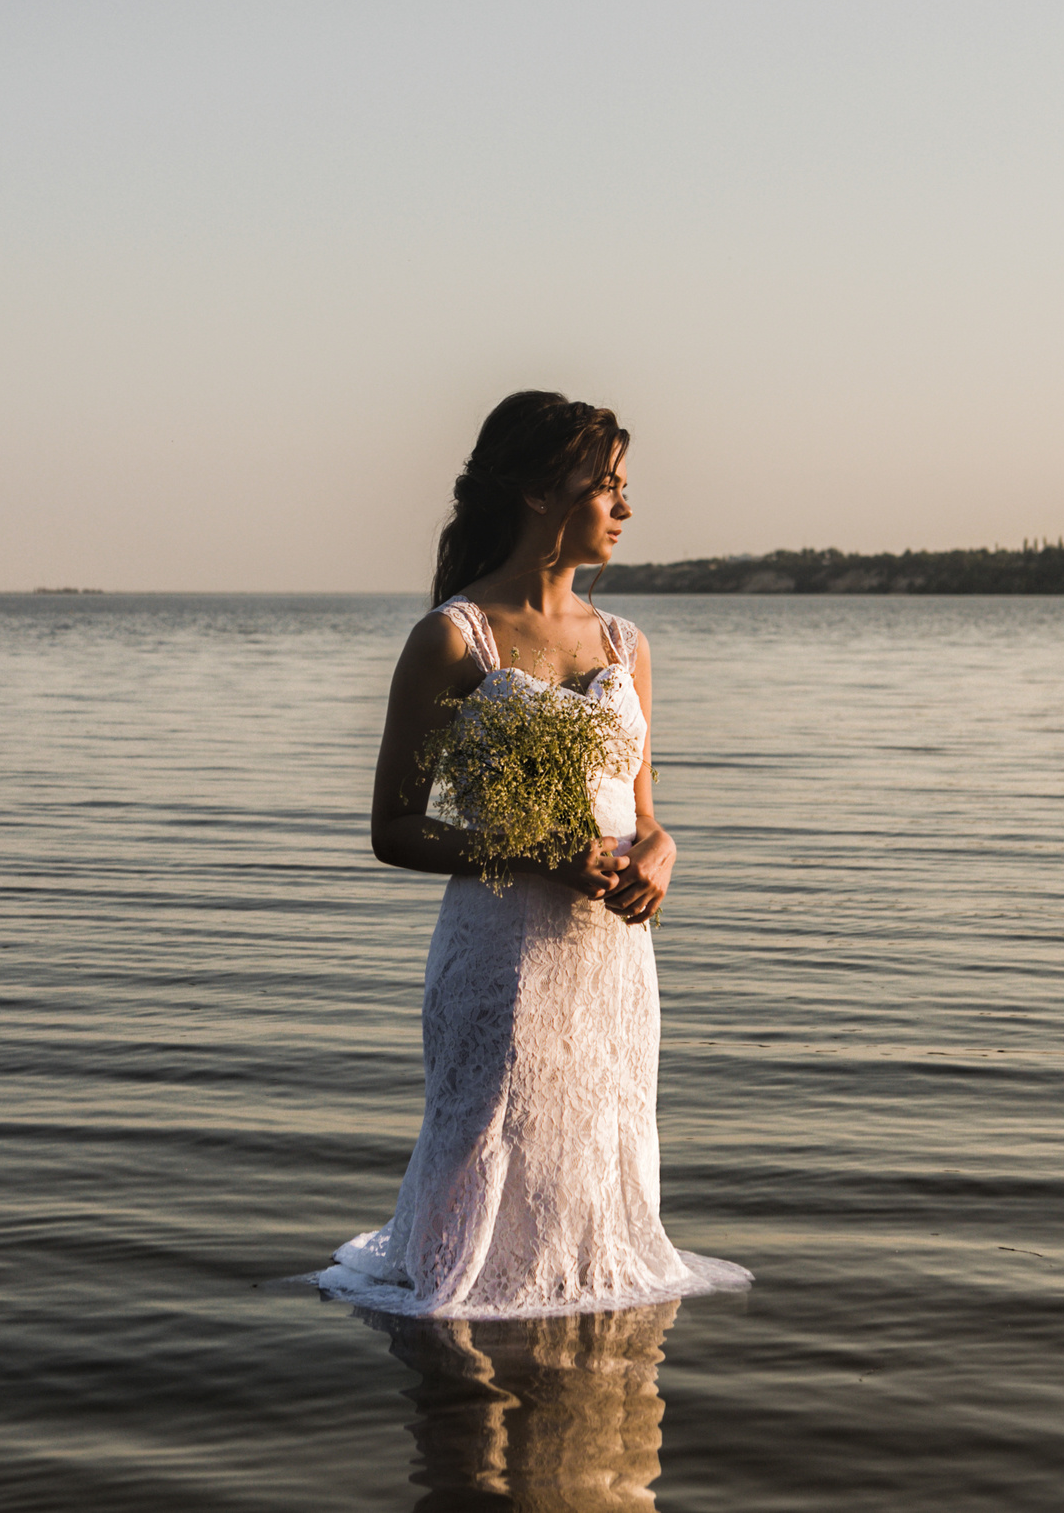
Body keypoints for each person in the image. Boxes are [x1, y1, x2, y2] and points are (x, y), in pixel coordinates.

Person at [318, 391, 750, 1318]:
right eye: (607, 487)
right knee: (488, 1157)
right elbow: (392, 828)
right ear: (537, 495)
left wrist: (662, 856)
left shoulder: (627, 644)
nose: (625, 509)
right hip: (500, 959)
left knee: (599, 1166)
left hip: (612, 969)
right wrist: (530, 852)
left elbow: (643, 813)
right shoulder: (452, 637)